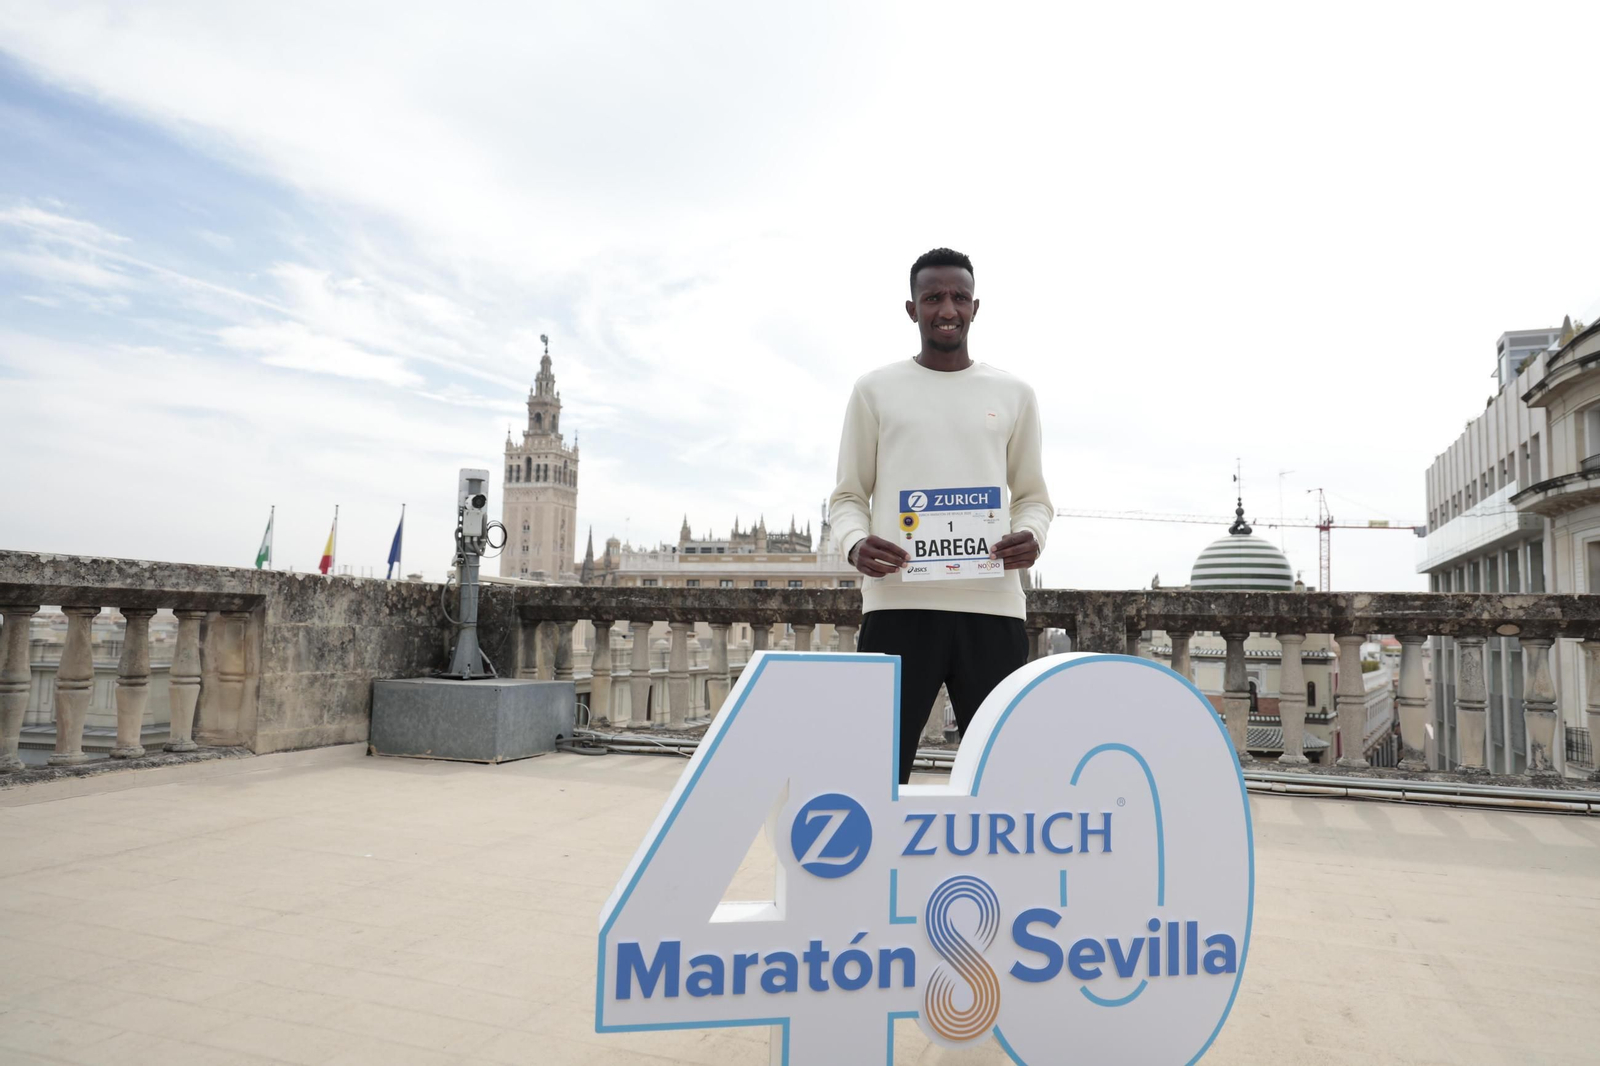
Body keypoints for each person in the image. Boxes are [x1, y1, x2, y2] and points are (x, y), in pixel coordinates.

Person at [828, 247, 1053, 784]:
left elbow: (1034, 497)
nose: (946, 308)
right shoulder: (874, 390)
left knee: (1001, 778)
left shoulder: (1015, 394)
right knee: (877, 777)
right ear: (912, 309)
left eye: (958, 297)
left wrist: (1033, 536)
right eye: (933, 298)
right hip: (897, 605)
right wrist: (856, 544)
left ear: (976, 307)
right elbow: (847, 497)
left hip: (993, 609)